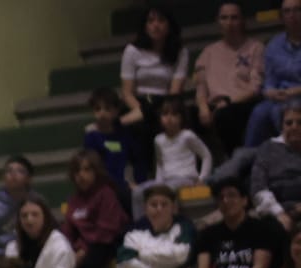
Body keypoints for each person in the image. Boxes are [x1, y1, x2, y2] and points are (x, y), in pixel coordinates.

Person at [62, 149, 130, 268]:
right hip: (85, 243)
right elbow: (68, 229)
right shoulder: (73, 200)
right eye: (77, 171)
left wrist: (83, 249)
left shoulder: (106, 193)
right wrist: (67, 249)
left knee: (90, 266)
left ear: (96, 172)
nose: (81, 176)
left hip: (108, 240)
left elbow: (107, 228)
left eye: (86, 170)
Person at [118, 6, 189, 166]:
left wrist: (162, 112)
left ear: (169, 25)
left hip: (166, 103)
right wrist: (140, 111)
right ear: (145, 25)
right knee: (140, 127)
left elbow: (174, 93)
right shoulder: (132, 51)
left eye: (161, 20)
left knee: (162, 120)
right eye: (151, 21)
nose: (155, 25)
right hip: (137, 103)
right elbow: (127, 93)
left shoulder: (180, 52)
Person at [197, 2, 265, 157]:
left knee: (226, 115)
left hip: (243, 103)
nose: (229, 22)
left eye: (234, 18)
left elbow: (255, 88)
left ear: (242, 21)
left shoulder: (256, 48)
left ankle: (235, 161)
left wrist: (228, 103)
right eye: (224, 18)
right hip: (215, 105)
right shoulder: (208, 52)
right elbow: (201, 87)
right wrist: (202, 107)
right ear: (218, 22)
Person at [249, 1, 301, 148]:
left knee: (280, 112)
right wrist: (270, 91)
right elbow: (269, 79)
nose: (292, 15)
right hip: (280, 97)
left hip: (298, 95)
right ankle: (248, 158)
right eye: (287, 11)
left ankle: (289, 158)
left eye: (297, 10)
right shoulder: (274, 45)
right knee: (259, 112)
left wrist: (296, 90)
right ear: (282, 17)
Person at [85, 88, 145, 200]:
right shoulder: (91, 137)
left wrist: (139, 184)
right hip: (103, 187)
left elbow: (137, 160)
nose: (102, 113)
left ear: (116, 111)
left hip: (124, 184)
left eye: (107, 109)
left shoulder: (124, 134)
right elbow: (95, 168)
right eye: (97, 109)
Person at [149, 96, 213, 190]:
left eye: (174, 114)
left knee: (169, 188)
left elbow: (206, 156)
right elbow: (160, 164)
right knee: (138, 192)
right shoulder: (158, 139)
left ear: (181, 117)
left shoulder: (187, 136)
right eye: (165, 114)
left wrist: (202, 178)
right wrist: (158, 183)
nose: (169, 118)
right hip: (166, 180)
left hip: (186, 179)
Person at [0, 155, 34, 256]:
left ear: (29, 178)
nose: (13, 174)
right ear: (3, 178)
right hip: (1, 255)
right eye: (9, 171)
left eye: (20, 171)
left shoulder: (36, 202)